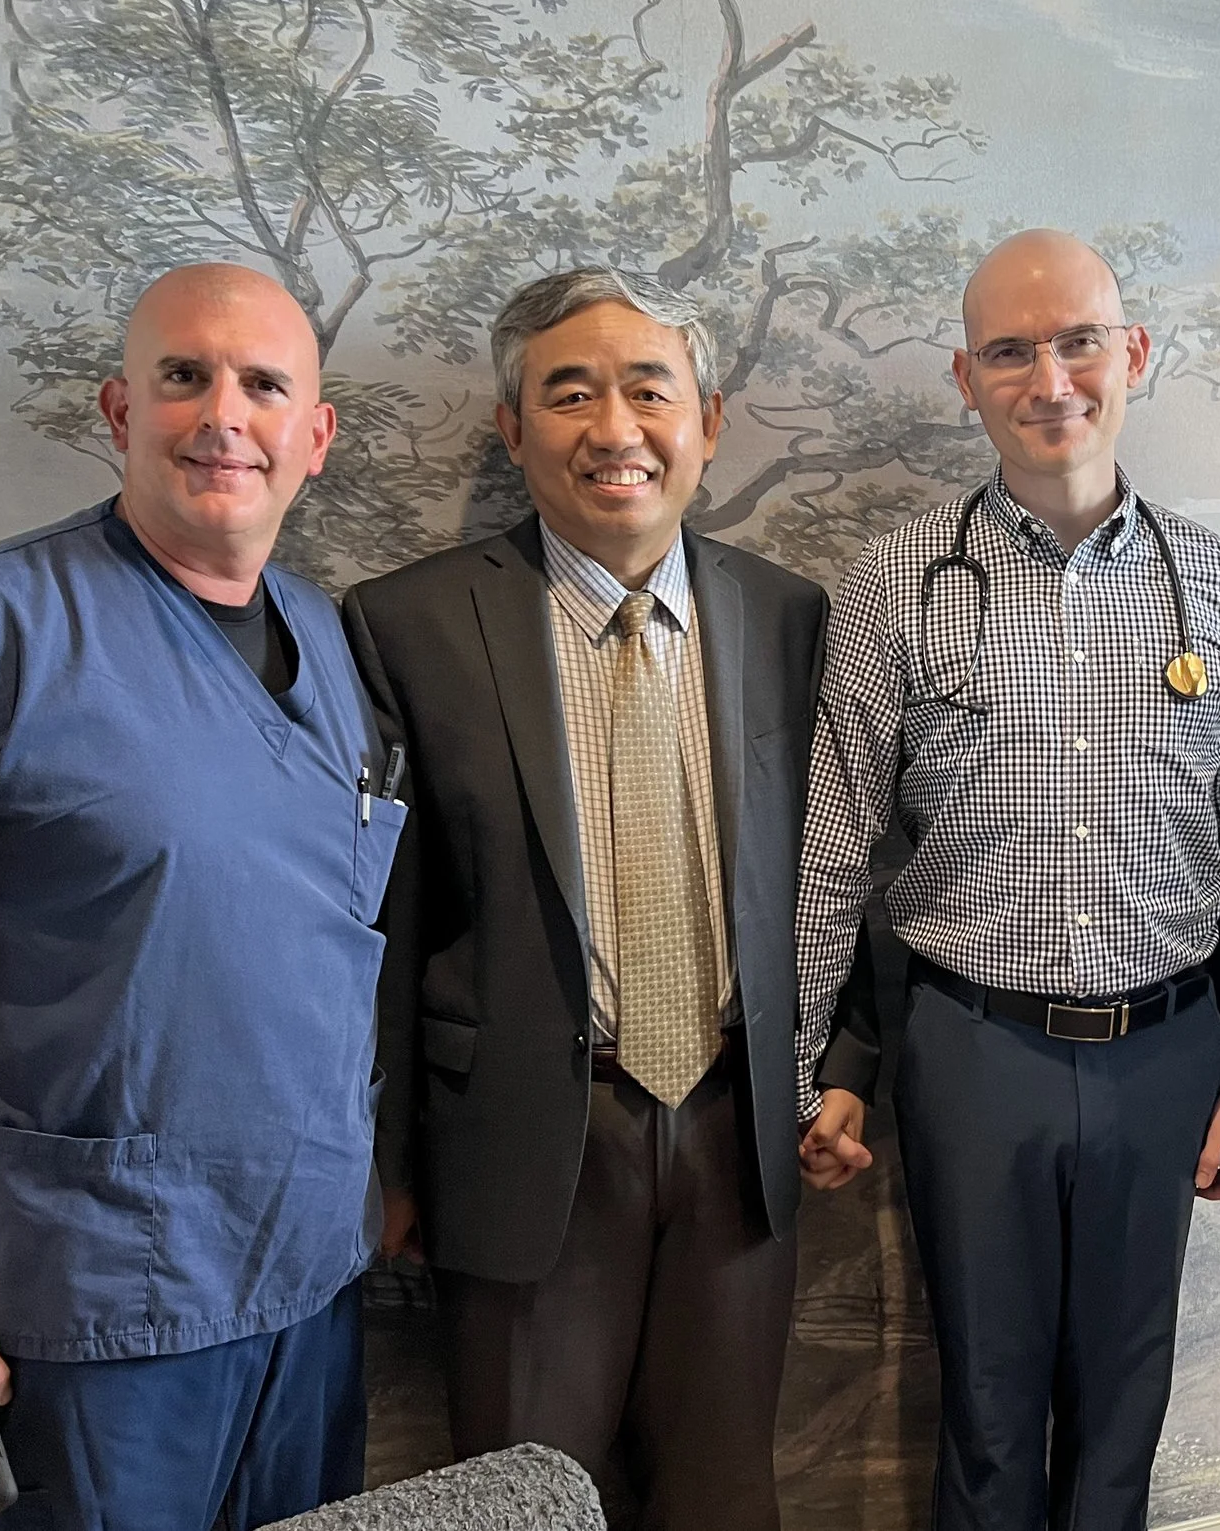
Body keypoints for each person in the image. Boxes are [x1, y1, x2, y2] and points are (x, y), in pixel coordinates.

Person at [0, 265, 395, 1529]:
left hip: (311, 1287)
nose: (223, 415)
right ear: (120, 410)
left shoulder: (331, 642)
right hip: (90, 1305)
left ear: (316, 435)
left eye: (263, 384)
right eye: (184, 376)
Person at [341, 267, 879, 1531]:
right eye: (569, 394)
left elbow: (847, 860)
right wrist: (387, 1161)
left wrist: (845, 1061)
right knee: (521, 1499)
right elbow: (383, 923)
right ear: (511, 427)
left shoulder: (787, 616)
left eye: (648, 389)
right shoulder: (409, 624)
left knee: (723, 1496)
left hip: (741, 1131)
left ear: (709, 419)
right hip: (521, 1142)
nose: (614, 428)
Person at [793, 228, 1220, 1531]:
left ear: (1132, 354)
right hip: (973, 1050)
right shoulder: (894, 584)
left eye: (1078, 342)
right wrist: (804, 1068)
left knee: (1125, 1405)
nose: (1050, 379)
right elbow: (835, 852)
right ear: (966, 378)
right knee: (987, 1404)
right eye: (1011, 351)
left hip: (1169, 1052)